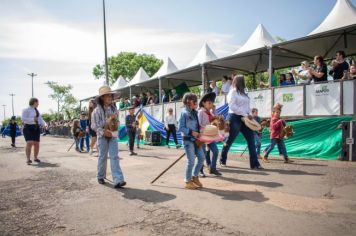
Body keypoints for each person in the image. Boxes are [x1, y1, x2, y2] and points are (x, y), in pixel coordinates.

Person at [219, 75, 262, 169]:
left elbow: (247, 106)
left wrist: (250, 113)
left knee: (251, 140)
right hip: (234, 118)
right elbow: (232, 106)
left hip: (245, 119)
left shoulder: (244, 93)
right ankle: (222, 160)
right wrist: (245, 114)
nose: (244, 82)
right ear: (239, 82)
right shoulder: (233, 92)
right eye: (243, 81)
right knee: (230, 139)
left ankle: (255, 164)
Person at [91, 85, 126, 188]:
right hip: (102, 137)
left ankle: (118, 179)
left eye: (111, 96)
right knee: (102, 157)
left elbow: (117, 122)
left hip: (113, 136)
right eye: (107, 96)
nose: (110, 98)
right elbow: (94, 125)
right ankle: (100, 176)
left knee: (114, 156)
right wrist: (103, 132)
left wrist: (115, 126)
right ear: (102, 97)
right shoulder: (96, 111)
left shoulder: (114, 109)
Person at [178, 93, 205, 190]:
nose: (197, 103)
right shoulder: (184, 113)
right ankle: (188, 181)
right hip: (188, 141)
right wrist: (191, 132)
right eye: (195, 102)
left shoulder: (195, 112)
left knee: (202, 157)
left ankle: (195, 176)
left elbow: (197, 125)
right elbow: (180, 127)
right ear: (189, 102)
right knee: (191, 161)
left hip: (196, 140)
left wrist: (200, 133)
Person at [198, 92, 222, 176]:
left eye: (212, 103)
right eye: (209, 103)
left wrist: (214, 109)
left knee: (215, 151)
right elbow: (199, 124)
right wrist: (205, 128)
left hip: (210, 135)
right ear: (203, 103)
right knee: (203, 153)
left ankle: (213, 168)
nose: (211, 104)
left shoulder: (210, 112)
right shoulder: (200, 112)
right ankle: (200, 170)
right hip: (202, 135)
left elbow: (216, 117)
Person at [21, 98, 47, 165]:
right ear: (34, 102)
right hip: (28, 127)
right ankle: (28, 159)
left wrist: (45, 124)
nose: (38, 104)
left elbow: (40, 119)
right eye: (37, 102)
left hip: (36, 128)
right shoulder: (26, 109)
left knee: (36, 144)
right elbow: (23, 119)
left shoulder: (37, 111)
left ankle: (35, 157)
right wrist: (33, 119)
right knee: (29, 143)